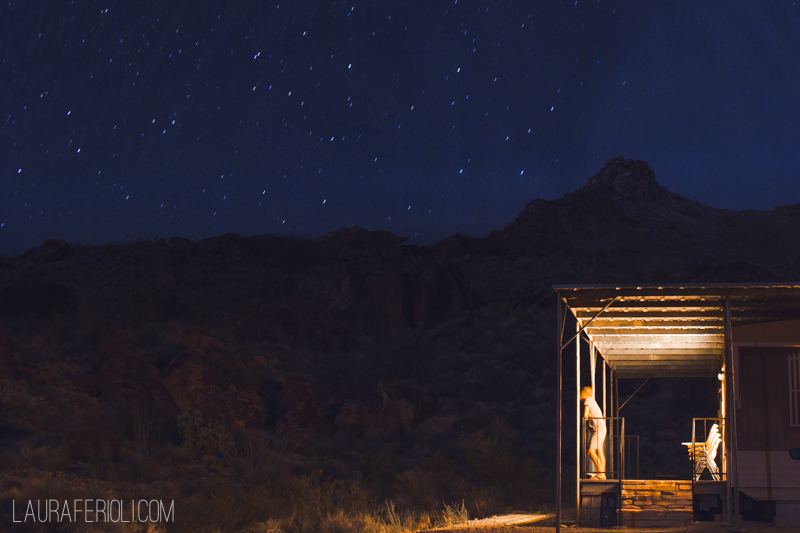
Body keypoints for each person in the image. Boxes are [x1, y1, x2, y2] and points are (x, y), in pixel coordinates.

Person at [581, 386, 607, 479]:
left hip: (598, 429)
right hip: (601, 427)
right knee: (599, 451)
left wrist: (587, 417)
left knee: (591, 451)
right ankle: (602, 473)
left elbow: (585, 415)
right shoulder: (592, 400)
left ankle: (601, 473)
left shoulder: (587, 400)